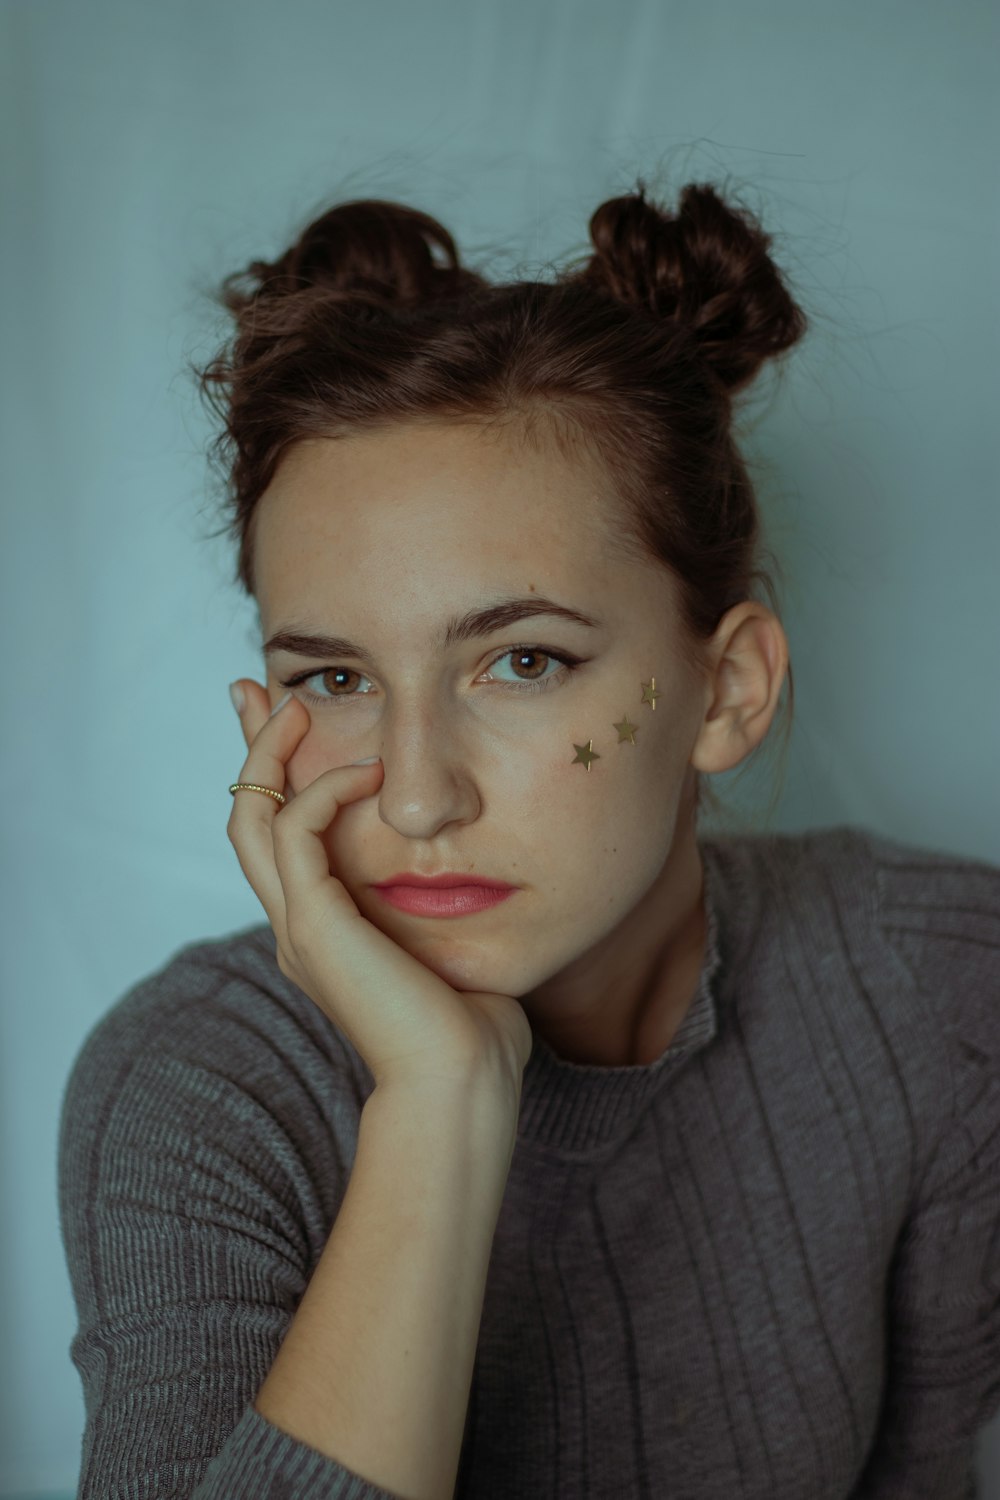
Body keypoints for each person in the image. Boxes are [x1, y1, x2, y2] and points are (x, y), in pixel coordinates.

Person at [57, 179, 1000, 1500]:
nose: (417, 798)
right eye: (334, 681)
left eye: (523, 660)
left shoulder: (942, 991)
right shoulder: (208, 1088)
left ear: (724, 690)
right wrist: (438, 1107)